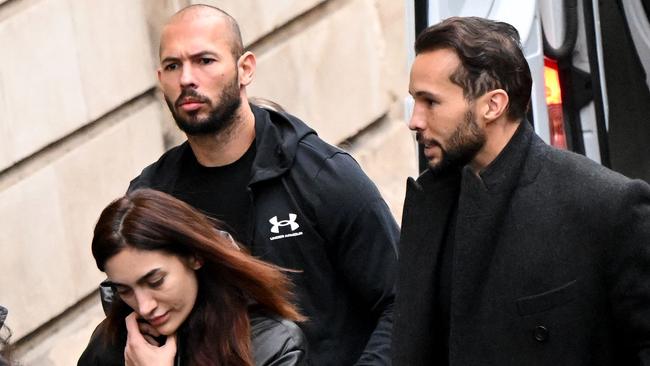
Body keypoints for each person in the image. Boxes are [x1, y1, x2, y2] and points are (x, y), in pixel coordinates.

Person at [120, 4, 398, 365]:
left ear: (244, 69)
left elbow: (402, 301)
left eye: (205, 61)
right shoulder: (154, 196)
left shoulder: (321, 175)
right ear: (161, 79)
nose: (187, 78)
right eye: (173, 66)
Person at [392, 16, 650, 365]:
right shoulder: (429, 204)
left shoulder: (604, 204)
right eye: (414, 101)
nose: (415, 120)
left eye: (430, 102)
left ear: (492, 105)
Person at [78, 189, 308, 366]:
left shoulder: (272, 344)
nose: (144, 306)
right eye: (124, 290)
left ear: (195, 257)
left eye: (155, 281)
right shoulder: (111, 344)